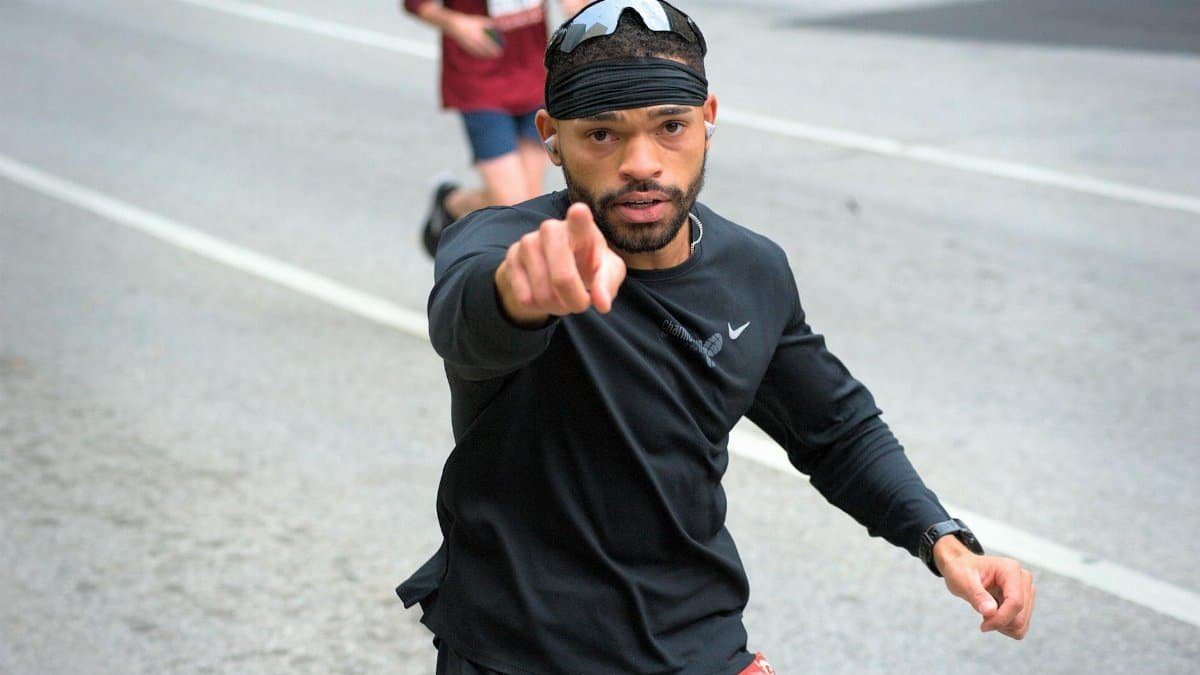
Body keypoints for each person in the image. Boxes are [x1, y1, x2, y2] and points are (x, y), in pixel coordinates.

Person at [397, 1, 1036, 673]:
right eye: (601, 136)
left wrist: (944, 539)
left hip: (698, 647)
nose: (641, 163)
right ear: (551, 136)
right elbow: (467, 325)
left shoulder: (752, 268)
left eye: (669, 127)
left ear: (707, 120)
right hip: (519, 652)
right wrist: (517, 297)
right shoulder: (504, 244)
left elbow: (835, 427)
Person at [402, 0, 589, 257]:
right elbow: (416, 5)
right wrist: (456, 23)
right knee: (513, 205)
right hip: (480, 83)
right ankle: (502, 285)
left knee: (525, 205)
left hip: (535, 77)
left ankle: (451, 202)